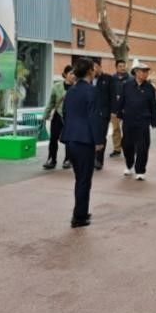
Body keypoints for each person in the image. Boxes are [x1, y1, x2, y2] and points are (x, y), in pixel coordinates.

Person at [60, 58, 105, 228]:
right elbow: (94, 117)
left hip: (71, 138)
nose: (95, 71)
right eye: (93, 69)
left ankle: (81, 212)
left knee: (80, 178)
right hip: (85, 140)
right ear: (89, 71)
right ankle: (79, 216)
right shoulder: (91, 91)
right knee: (84, 179)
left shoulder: (71, 90)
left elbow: (65, 113)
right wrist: (99, 140)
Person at [118, 61, 156, 180]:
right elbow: (121, 101)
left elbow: (153, 105)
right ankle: (129, 164)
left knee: (143, 147)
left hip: (143, 121)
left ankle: (140, 170)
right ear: (136, 72)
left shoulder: (150, 88)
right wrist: (119, 114)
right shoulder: (127, 85)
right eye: (143, 71)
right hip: (128, 120)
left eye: (147, 72)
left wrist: (154, 120)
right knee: (127, 145)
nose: (145, 74)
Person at [42, 65, 75, 170]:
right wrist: (45, 115)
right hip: (58, 116)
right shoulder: (56, 86)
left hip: (71, 117)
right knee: (53, 139)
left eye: (74, 74)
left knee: (69, 139)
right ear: (65, 74)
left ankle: (68, 159)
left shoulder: (77, 87)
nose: (73, 76)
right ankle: (51, 159)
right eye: (71, 73)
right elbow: (51, 102)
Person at [92, 58, 114, 170]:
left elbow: (112, 96)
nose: (93, 69)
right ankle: (91, 158)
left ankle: (99, 160)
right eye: (92, 67)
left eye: (95, 67)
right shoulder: (89, 79)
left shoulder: (108, 79)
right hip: (91, 113)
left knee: (101, 136)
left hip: (103, 113)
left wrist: (112, 111)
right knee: (91, 136)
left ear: (100, 67)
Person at [109, 60, 130, 158]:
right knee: (116, 129)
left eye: (123, 66)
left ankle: (128, 148)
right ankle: (117, 149)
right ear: (116, 67)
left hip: (126, 109)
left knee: (127, 130)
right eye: (120, 66)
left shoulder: (130, 79)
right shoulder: (112, 79)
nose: (122, 68)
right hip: (114, 109)